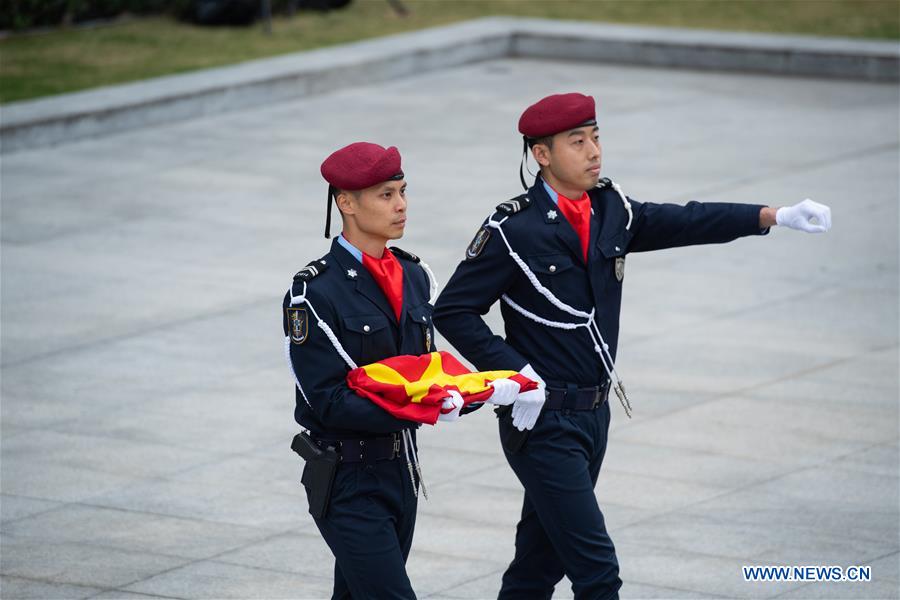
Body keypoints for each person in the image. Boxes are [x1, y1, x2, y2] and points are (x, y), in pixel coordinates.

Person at [432, 92, 832, 600]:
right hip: (543, 421)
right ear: (542, 154)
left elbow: (685, 220)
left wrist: (772, 215)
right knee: (598, 572)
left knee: (538, 564)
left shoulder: (609, 207)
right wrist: (516, 374)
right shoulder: (513, 229)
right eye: (577, 142)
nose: (594, 151)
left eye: (596, 137)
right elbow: (452, 311)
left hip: (594, 416)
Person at [282, 141, 465, 600]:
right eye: (386, 195)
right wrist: (421, 409)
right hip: (348, 478)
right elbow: (328, 398)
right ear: (346, 203)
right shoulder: (314, 292)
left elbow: (425, 370)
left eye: (403, 192)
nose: (401, 205)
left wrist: (478, 392)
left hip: (401, 473)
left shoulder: (414, 275)